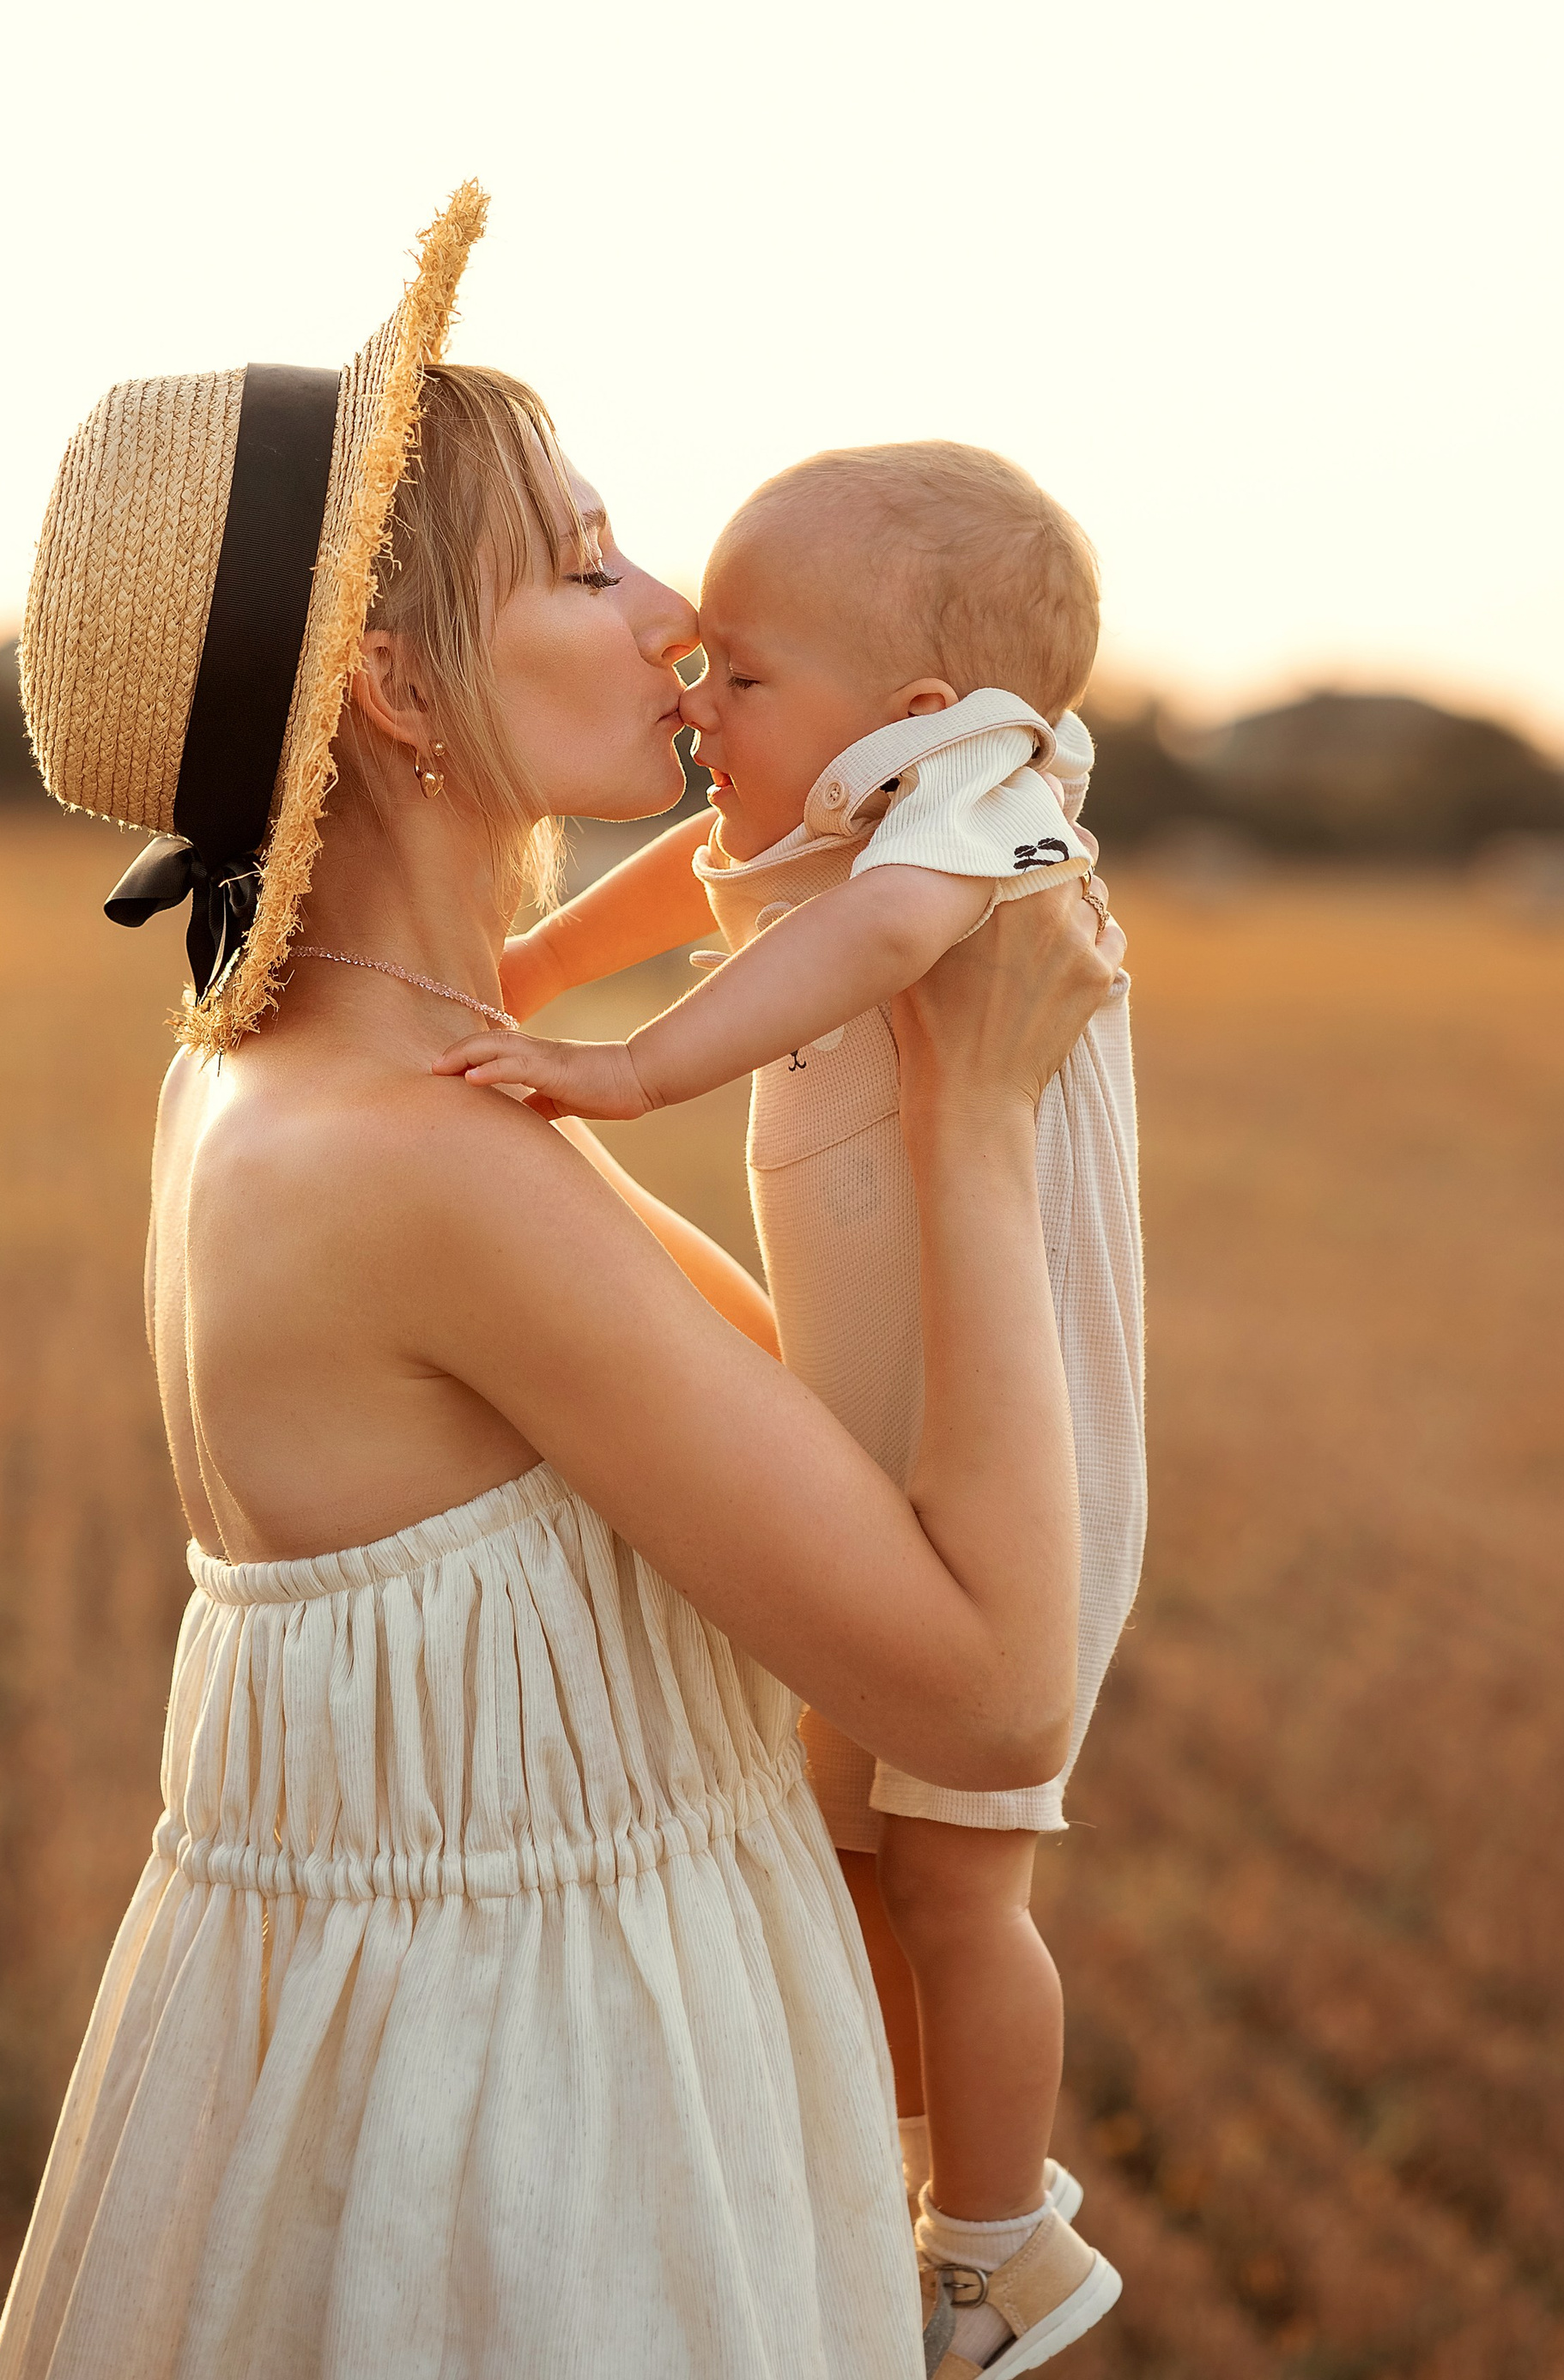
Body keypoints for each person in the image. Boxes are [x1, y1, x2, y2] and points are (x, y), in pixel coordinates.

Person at [0, 190, 1125, 2380]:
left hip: (481, 2061)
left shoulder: (300, 1075)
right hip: (543, 2150)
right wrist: (976, 1117)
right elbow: (991, 1698)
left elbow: (820, 1471)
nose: (680, 616)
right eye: (589, 565)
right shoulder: (418, 1164)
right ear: (400, 687)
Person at [446, 444, 1144, 2371]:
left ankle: (1000, 2242)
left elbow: (882, 943)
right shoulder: (843, 822)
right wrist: (523, 964)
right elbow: (704, 878)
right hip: (884, 1433)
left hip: (1018, 1457)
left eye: (743, 674)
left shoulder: (978, 807)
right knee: (849, 1846)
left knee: (960, 1878)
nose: (696, 687)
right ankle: (884, 2174)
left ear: (918, 714)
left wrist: (631, 1070)